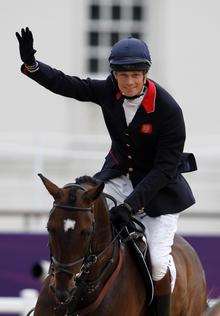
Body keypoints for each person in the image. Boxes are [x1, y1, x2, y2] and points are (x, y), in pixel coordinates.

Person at [16, 27, 197, 315]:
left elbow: (164, 169)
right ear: (114, 75)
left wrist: (130, 206)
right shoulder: (109, 91)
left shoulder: (168, 110)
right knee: (77, 214)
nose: (128, 82)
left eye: (135, 75)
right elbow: (70, 85)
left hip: (159, 191)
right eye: (123, 76)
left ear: (145, 75)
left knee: (159, 262)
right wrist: (33, 66)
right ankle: (64, 295)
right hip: (117, 177)